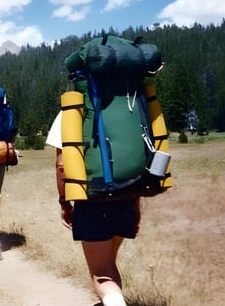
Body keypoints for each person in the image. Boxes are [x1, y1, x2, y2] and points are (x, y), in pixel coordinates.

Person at [46, 111, 140, 306]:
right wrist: (137, 205)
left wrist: (64, 201)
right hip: (127, 196)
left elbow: (62, 166)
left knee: (102, 275)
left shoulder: (71, 109)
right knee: (108, 265)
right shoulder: (128, 105)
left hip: (90, 198)